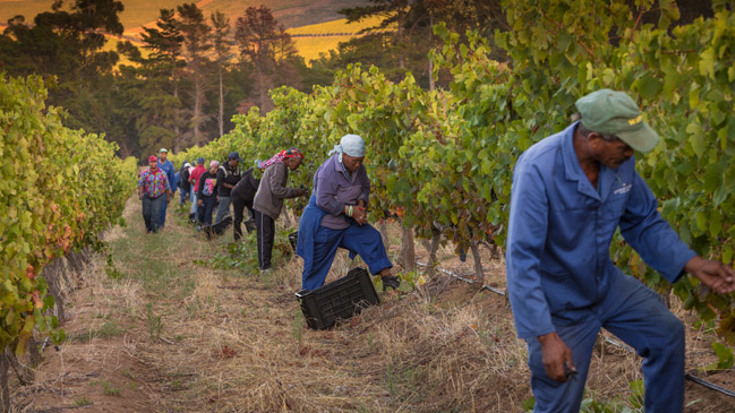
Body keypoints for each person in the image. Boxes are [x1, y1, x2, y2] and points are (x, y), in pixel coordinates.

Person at [505, 89, 735, 413]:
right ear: (595, 139)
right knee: (559, 402)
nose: (630, 154)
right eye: (625, 145)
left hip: (604, 285)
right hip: (559, 305)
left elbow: (643, 221)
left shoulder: (619, 164)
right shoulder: (538, 169)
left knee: (666, 334)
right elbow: (521, 258)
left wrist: (692, 263)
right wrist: (545, 336)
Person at [296, 134, 400, 291]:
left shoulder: (359, 169)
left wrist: (361, 207)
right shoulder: (328, 171)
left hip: (345, 223)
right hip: (324, 225)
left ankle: (388, 279)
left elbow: (364, 187)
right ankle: (310, 304)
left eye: (361, 160)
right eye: (354, 161)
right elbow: (323, 201)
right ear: (343, 155)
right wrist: (351, 211)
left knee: (371, 238)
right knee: (315, 268)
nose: (358, 164)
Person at [252, 148, 307, 271]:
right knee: (265, 237)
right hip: (264, 205)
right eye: (298, 162)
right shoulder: (280, 167)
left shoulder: (280, 166)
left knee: (268, 236)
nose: (298, 166)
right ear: (292, 159)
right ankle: (264, 268)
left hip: (266, 205)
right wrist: (296, 192)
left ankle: (266, 266)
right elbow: (276, 190)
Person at [137, 155, 172, 233]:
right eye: (151, 162)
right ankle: (148, 227)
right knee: (146, 213)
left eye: (154, 162)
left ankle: (154, 229)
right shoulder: (145, 173)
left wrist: (168, 197)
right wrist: (140, 193)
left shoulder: (162, 173)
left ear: (157, 163)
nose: (153, 164)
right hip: (147, 195)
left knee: (156, 213)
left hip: (158, 196)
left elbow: (167, 186)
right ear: (149, 163)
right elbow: (141, 184)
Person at [230, 166, 260, 241]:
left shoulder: (256, 172)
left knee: (256, 212)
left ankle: (253, 231)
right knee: (238, 217)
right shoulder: (253, 172)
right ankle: (237, 237)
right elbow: (256, 186)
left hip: (248, 196)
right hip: (238, 195)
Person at [215, 152, 243, 224]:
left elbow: (239, 179)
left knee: (226, 212)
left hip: (233, 194)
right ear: (231, 160)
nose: (238, 163)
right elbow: (220, 182)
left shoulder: (237, 169)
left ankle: (223, 227)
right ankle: (216, 226)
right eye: (237, 161)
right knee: (222, 211)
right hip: (224, 194)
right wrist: (232, 187)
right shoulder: (222, 169)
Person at [197, 160, 220, 228]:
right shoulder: (205, 175)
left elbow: (216, 187)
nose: (215, 169)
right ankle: (201, 225)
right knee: (201, 213)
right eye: (214, 167)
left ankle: (207, 228)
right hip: (203, 197)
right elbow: (200, 187)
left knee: (208, 213)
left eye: (217, 168)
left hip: (211, 197)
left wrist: (216, 195)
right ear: (211, 167)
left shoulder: (216, 176)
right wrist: (199, 198)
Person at [157, 148, 176, 229]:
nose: (163, 155)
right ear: (159, 154)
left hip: (165, 190)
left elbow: (172, 178)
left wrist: (173, 190)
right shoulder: (156, 163)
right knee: (156, 207)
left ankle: (161, 224)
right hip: (156, 189)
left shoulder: (169, 165)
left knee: (163, 207)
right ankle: (156, 223)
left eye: (165, 154)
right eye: (162, 154)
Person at [189, 157, 206, 222]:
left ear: (197, 163)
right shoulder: (205, 171)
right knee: (202, 204)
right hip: (202, 190)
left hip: (195, 189)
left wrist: (194, 184)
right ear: (203, 162)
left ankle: (192, 218)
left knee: (194, 204)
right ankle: (199, 218)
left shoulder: (194, 170)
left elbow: (190, 180)